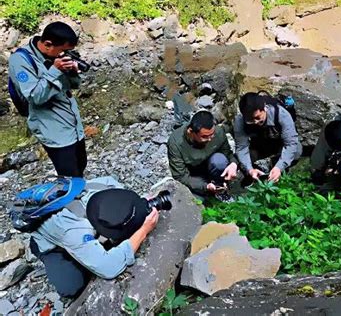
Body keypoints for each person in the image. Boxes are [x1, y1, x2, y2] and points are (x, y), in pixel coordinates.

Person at [30, 177, 159, 297]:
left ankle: (90, 250)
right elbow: (109, 267)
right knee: (71, 286)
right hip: (51, 242)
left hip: (73, 225)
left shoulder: (107, 184)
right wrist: (143, 230)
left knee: (119, 239)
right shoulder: (75, 230)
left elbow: (122, 206)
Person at [8, 21, 86, 177]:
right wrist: (55, 71)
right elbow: (35, 96)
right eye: (63, 51)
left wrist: (72, 72)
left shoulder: (56, 56)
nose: (65, 55)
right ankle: (69, 200)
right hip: (54, 131)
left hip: (73, 125)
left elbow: (74, 85)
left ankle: (79, 196)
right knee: (70, 177)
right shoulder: (20, 61)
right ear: (48, 44)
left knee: (81, 165)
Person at [167, 110, 238, 201]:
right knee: (197, 200)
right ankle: (209, 191)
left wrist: (233, 164)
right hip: (193, 175)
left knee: (219, 160)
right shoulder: (175, 143)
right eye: (204, 136)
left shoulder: (218, 132)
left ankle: (220, 188)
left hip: (213, 167)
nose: (209, 139)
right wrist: (205, 186)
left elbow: (227, 154)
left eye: (211, 135)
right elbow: (180, 176)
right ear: (191, 132)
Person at [234, 92, 302, 183]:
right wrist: (249, 169)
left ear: (264, 108)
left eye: (257, 117)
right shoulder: (240, 121)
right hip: (258, 146)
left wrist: (279, 167)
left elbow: (291, 144)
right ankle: (253, 174)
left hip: (279, 145)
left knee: (297, 149)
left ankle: (276, 166)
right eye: (250, 120)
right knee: (240, 158)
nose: (255, 122)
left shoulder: (281, 115)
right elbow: (242, 148)